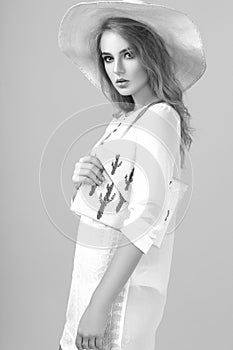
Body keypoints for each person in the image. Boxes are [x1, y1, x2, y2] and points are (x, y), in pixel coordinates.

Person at [57, 1, 207, 349]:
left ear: (150, 57)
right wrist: (85, 176)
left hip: (117, 292)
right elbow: (113, 199)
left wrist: (99, 305)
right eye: (108, 58)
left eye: (129, 54)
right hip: (91, 274)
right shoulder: (123, 119)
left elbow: (145, 219)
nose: (117, 69)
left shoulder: (161, 118)